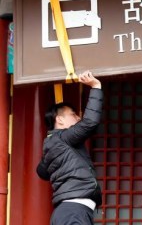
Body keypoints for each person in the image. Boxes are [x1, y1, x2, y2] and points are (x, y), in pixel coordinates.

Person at [36, 70, 103, 225]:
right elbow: (90, 122)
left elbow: (42, 171)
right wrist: (96, 86)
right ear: (59, 119)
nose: (78, 117)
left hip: (70, 211)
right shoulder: (63, 138)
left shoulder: (55, 144)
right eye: (73, 114)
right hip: (74, 211)